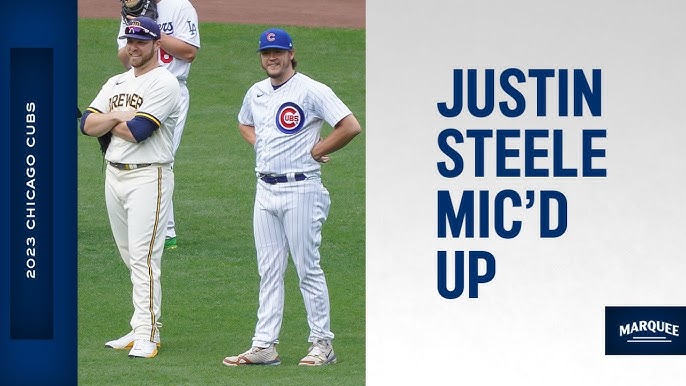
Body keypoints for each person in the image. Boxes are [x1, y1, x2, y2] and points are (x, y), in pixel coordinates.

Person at [222, 28, 362, 367]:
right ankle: (264, 345)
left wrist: (317, 149)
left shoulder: (312, 90)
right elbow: (244, 124)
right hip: (265, 190)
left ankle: (322, 343)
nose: (272, 58)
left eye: (278, 52)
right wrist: (265, 147)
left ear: (291, 54)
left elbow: (350, 125)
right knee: (268, 270)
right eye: (266, 53)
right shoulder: (256, 92)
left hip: (302, 189)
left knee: (306, 267)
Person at [80, 16, 181, 359]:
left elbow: (140, 131)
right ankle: (139, 325)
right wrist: (113, 120)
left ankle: (148, 335)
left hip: (148, 177)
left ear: (156, 44)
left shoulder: (165, 83)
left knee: (144, 258)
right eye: (129, 41)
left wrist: (109, 120)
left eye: (141, 41)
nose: (133, 47)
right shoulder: (116, 80)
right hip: (114, 174)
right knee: (129, 256)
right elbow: (86, 124)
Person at [118, 0, 201, 250]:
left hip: (171, 88)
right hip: (139, 88)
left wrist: (153, 32)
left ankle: (165, 232)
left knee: (161, 157)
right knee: (139, 155)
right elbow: (125, 58)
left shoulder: (180, 6)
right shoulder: (133, 7)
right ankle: (159, 229)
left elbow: (189, 52)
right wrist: (136, 28)